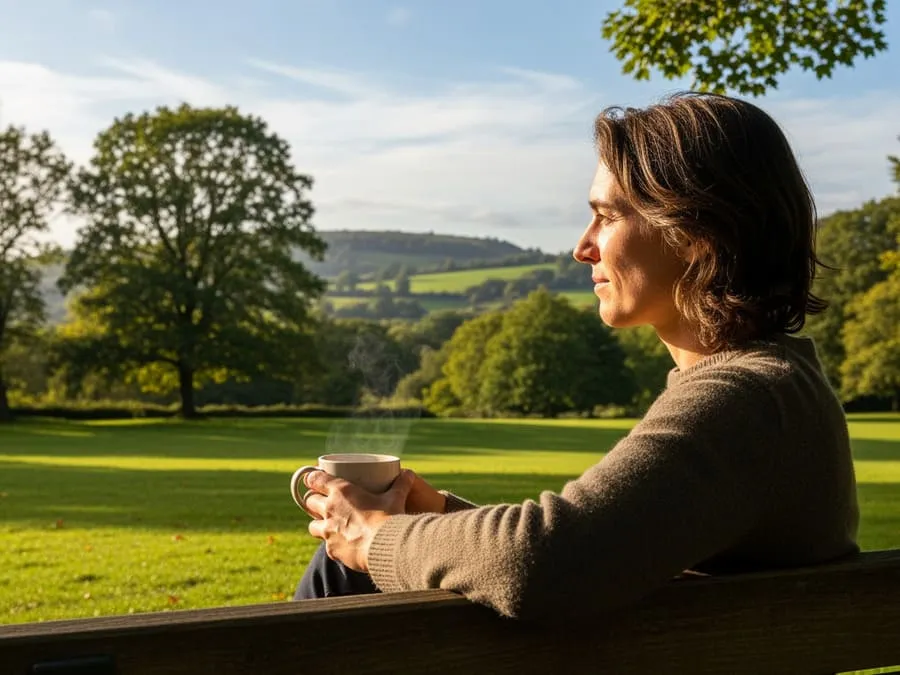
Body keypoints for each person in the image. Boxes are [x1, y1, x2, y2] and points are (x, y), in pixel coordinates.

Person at [292, 91, 860, 619]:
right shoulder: (771, 388)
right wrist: (438, 517)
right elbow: (606, 544)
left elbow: (543, 558)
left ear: (695, 233)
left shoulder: (750, 398)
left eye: (607, 216)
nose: (582, 246)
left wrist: (373, 538)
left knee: (341, 573)